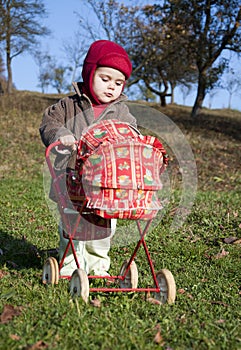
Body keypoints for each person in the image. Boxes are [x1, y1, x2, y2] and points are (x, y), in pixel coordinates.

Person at [39, 40, 137, 277]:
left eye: (118, 83)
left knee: (104, 227)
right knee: (72, 224)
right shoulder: (68, 105)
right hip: (72, 178)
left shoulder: (122, 111)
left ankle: (97, 266)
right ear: (90, 73)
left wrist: (131, 141)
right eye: (105, 79)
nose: (111, 87)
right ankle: (70, 265)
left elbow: (132, 132)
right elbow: (49, 124)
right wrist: (61, 135)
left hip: (106, 183)